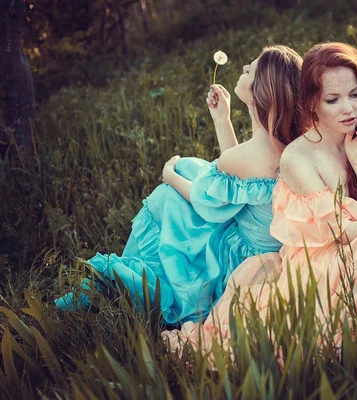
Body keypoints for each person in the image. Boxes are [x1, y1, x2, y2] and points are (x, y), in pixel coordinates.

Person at [161, 42, 357, 355]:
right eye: (333, 100)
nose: (349, 109)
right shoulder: (297, 157)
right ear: (311, 103)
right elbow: (338, 234)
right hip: (326, 252)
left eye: (355, 94)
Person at [55, 45, 303, 325]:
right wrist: (222, 119)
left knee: (167, 196)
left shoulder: (251, 154)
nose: (243, 69)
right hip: (266, 245)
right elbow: (235, 178)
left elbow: (205, 200)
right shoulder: (286, 145)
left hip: (242, 258)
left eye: (249, 70)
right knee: (192, 166)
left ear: (260, 92)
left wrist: (169, 175)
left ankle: (122, 281)